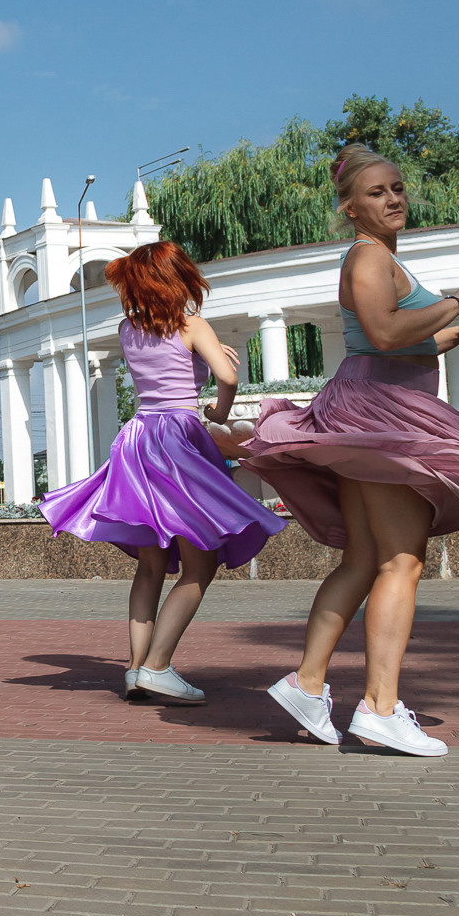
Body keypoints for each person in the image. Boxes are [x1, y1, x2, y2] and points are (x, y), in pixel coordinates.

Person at [241, 145, 459, 757]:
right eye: (378, 192)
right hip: (380, 416)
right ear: (351, 208)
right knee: (401, 563)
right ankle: (380, 709)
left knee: (364, 560)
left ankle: (307, 685)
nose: (394, 199)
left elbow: (397, 346)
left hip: (372, 406)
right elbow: (385, 332)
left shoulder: (379, 257)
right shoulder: (367, 257)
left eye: (398, 188)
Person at [37, 241, 286, 704]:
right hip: (178, 439)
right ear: (178, 279)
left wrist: (204, 356)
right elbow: (226, 379)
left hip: (138, 437)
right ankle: (158, 665)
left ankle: (134, 669)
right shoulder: (192, 323)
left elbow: (167, 361)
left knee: (150, 565)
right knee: (200, 562)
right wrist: (217, 412)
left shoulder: (127, 329)